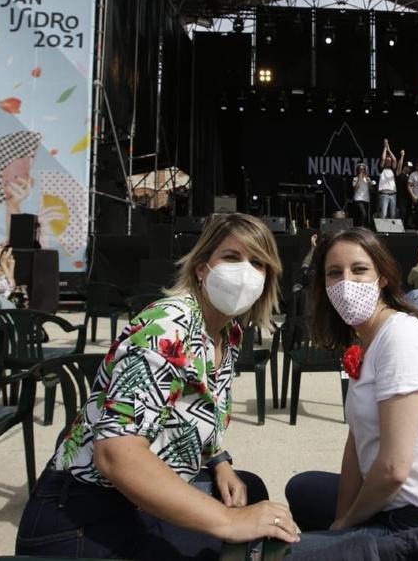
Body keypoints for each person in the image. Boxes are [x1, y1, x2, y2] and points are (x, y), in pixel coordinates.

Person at [16, 213, 299, 558]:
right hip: (83, 517)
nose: (245, 272)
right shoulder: (168, 325)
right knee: (237, 536)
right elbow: (116, 454)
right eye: (231, 257)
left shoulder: (228, 334)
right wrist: (227, 520)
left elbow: (192, 411)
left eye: (258, 263)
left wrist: (219, 461)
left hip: (136, 505)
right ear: (201, 267)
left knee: (248, 489)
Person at [284, 228, 418, 550]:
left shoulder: (402, 339)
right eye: (334, 273)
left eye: (359, 269)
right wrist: (341, 519)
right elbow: (357, 439)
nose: (346, 282)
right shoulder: (368, 340)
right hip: (391, 502)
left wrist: (344, 526)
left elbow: (393, 469)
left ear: (383, 278)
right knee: (301, 489)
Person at [377, 140, 398, 220]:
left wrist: (389, 149)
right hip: (384, 194)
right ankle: (383, 232)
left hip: (393, 194)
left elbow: (395, 159)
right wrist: (385, 148)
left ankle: (391, 232)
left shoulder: (393, 169)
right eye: (387, 160)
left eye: (390, 161)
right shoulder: (381, 169)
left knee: (393, 215)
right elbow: (382, 158)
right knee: (384, 214)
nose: (389, 161)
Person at [351, 164, 372, 228]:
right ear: (358, 170)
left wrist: (369, 183)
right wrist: (359, 179)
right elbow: (355, 188)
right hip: (358, 198)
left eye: (363, 169)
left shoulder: (367, 179)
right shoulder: (355, 178)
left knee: (366, 215)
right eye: (360, 169)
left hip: (366, 199)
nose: (362, 170)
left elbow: (372, 189)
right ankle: (361, 227)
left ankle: (363, 227)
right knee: (363, 213)